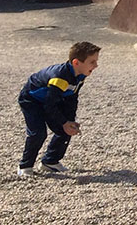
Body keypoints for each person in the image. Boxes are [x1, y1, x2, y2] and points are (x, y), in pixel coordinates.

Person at [17, 41, 100, 177]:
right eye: (92, 62)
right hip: (31, 100)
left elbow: (72, 98)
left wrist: (69, 121)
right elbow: (49, 105)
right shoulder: (60, 77)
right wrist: (64, 122)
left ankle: (50, 161)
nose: (96, 65)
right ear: (76, 63)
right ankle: (25, 166)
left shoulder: (81, 75)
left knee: (66, 128)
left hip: (52, 100)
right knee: (38, 133)